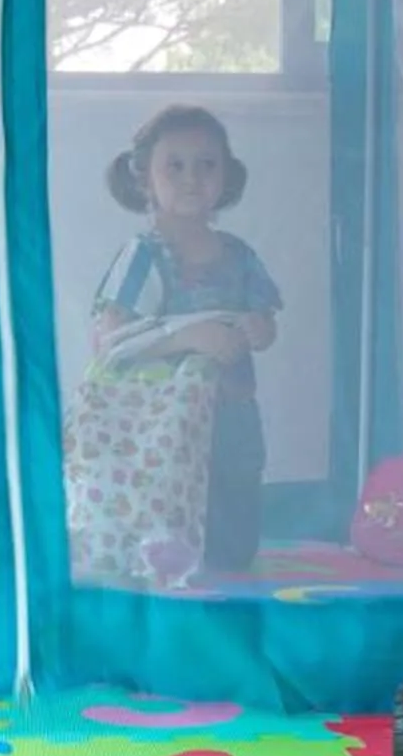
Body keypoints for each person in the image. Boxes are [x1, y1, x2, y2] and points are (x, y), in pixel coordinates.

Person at [92, 104, 281, 576]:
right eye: (174, 166)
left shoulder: (238, 254)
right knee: (172, 531)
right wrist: (187, 337)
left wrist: (258, 329)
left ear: (227, 176)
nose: (191, 178)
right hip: (163, 425)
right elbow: (111, 342)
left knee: (234, 541)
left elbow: (265, 323)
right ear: (144, 179)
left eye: (206, 165)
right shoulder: (143, 255)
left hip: (232, 411)